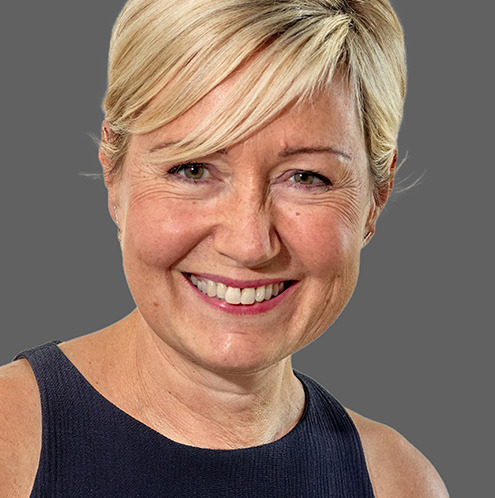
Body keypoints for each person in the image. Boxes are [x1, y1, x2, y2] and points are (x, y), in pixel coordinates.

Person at [0, 0, 448, 496]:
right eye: (193, 169)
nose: (249, 244)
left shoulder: (399, 483)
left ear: (376, 196)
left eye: (305, 177)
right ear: (114, 171)